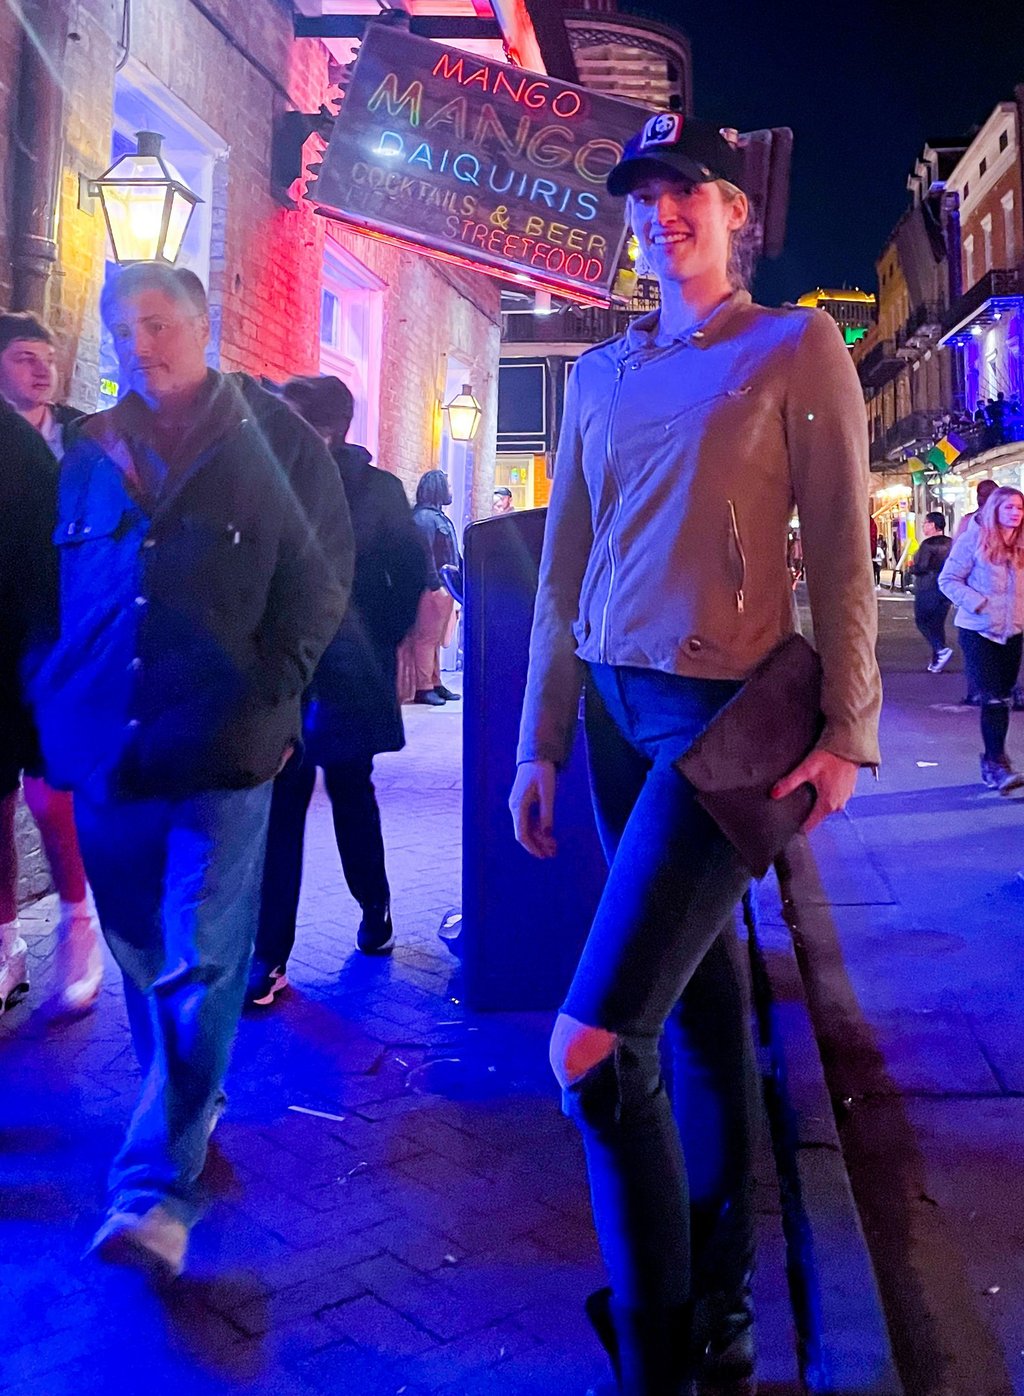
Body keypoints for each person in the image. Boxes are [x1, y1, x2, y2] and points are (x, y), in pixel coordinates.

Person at [510, 113, 881, 1395]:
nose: (661, 216)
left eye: (685, 194)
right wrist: (539, 737)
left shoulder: (795, 343)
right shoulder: (600, 374)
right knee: (703, 1019)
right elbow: (562, 567)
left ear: (733, 210)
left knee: (595, 1047)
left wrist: (850, 729)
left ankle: (659, 1348)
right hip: (612, 718)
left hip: (720, 723)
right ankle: (720, 1302)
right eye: (642, 199)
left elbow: (839, 546)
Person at [28, 263, 353, 1278]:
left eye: (160, 323)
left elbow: (319, 575)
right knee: (137, 955)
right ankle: (193, 1101)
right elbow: (56, 589)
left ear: (205, 328)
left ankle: (154, 1188)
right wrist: (53, 688)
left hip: (222, 746)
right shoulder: (88, 451)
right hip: (109, 746)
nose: (141, 344)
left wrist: (275, 696)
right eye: (123, 329)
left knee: (201, 957)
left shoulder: (278, 443)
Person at [251, 376, 426, 996]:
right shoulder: (280, 479)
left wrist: (379, 638)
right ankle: (272, 953)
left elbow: (411, 577)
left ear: (322, 427)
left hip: (346, 669)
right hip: (292, 672)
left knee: (348, 793)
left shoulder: (372, 490)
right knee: (286, 803)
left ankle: (370, 909)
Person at [0, 313, 104, 1016]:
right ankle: (6, 940)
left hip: (60, 639)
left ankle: (77, 920)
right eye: (23, 358)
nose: (41, 369)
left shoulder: (87, 441)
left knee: (51, 794)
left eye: (47, 357)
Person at [939, 486, 1024, 793]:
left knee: (1003, 697)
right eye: (1009, 508)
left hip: (1012, 631)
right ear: (994, 510)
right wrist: (978, 603)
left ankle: (993, 762)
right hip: (978, 630)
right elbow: (947, 580)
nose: (1015, 513)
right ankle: (998, 765)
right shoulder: (973, 539)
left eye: (1019, 508)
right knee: (992, 697)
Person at [409, 469, 462, 706]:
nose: (451, 490)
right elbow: (424, 554)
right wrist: (433, 585)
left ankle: (435, 682)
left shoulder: (436, 517)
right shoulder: (424, 519)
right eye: (448, 486)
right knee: (426, 638)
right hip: (432, 587)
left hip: (443, 587)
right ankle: (423, 687)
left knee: (436, 638)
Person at [909, 512, 953, 672]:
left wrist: (911, 568)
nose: (923, 526)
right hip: (946, 588)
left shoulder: (928, 545)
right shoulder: (951, 543)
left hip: (927, 586)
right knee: (937, 624)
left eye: (926, 523)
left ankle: (940, 650)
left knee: (922, 621)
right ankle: (937, 661)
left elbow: (922, 567)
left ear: (934, 525)